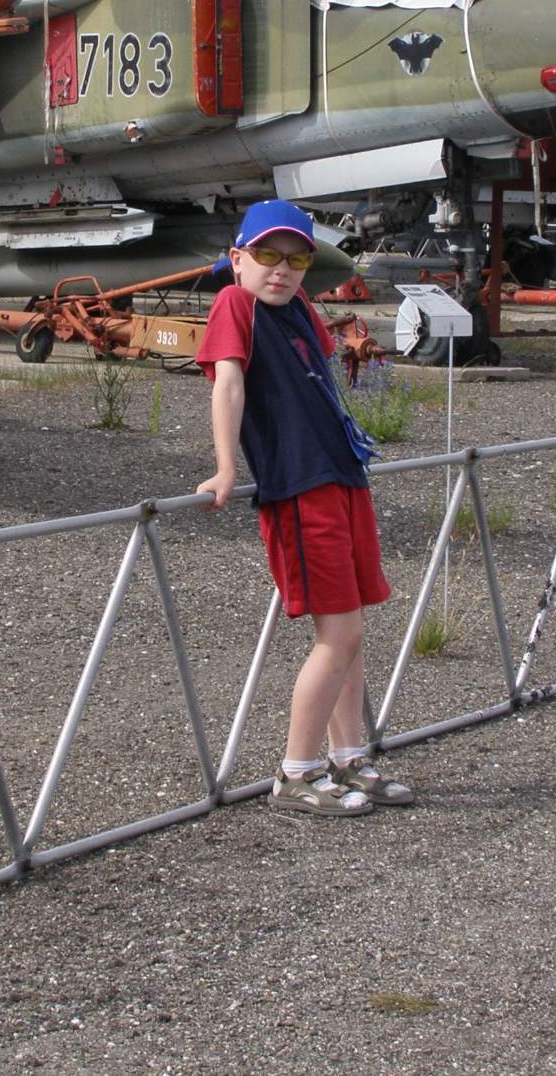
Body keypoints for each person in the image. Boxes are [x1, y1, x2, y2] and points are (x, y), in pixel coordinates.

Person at [194, 199, 416, 817]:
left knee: (352, 633)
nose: (282, 270)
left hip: (342, 474)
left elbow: (325, 377)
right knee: (337, 633)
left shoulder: (297, 310)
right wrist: (226, 467)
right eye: (268, 255)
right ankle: (296, 770)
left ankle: (350, 758)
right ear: (238, 258)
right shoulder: (233, 303)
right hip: (300, 485)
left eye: (296, 259)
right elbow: (229, 383)